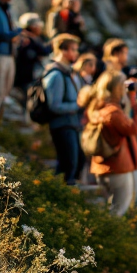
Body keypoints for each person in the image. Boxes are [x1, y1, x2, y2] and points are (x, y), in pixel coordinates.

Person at [86, 71, 137, 216]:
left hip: (105, 166)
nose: (125, 88)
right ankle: (108, 231)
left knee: (112, 209)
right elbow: (133, 128)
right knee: (118, 210)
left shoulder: (98, 106)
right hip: (117, 166)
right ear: (116, 88)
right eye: (122, 85)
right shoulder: (113, 112)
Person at [43, 34, 84, 184]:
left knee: (74, 164)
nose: (76, 53)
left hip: (71, 124)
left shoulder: (67, 72)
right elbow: (55, 106)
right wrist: (78, 105)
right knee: (68, 166)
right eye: (73, 49)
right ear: (62, 50)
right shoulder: (56, 75)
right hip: (62, 126)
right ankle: (59, 193)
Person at [13, 12, 52, 97]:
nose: (40, 28)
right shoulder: (25, 40)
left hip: (29, 78)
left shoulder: (35, 38)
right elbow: (43, 51)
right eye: (38, 25)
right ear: (32, 27)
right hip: (24, 79)